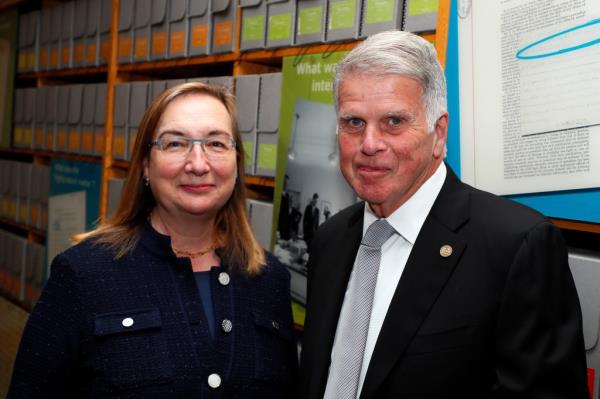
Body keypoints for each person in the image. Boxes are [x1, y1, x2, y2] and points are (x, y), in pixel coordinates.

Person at [299, 31, 588, 399]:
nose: (369, 144)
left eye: (394, 122)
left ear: (438, 133)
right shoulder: (331, 239)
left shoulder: (516, 246)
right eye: (354, 122)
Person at [8, 82, 297, 398]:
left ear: (237, 165)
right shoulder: (83, 275)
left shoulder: (270, 280)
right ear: (146, 165)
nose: (198, 164)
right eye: (175, 144)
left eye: (216, 143)